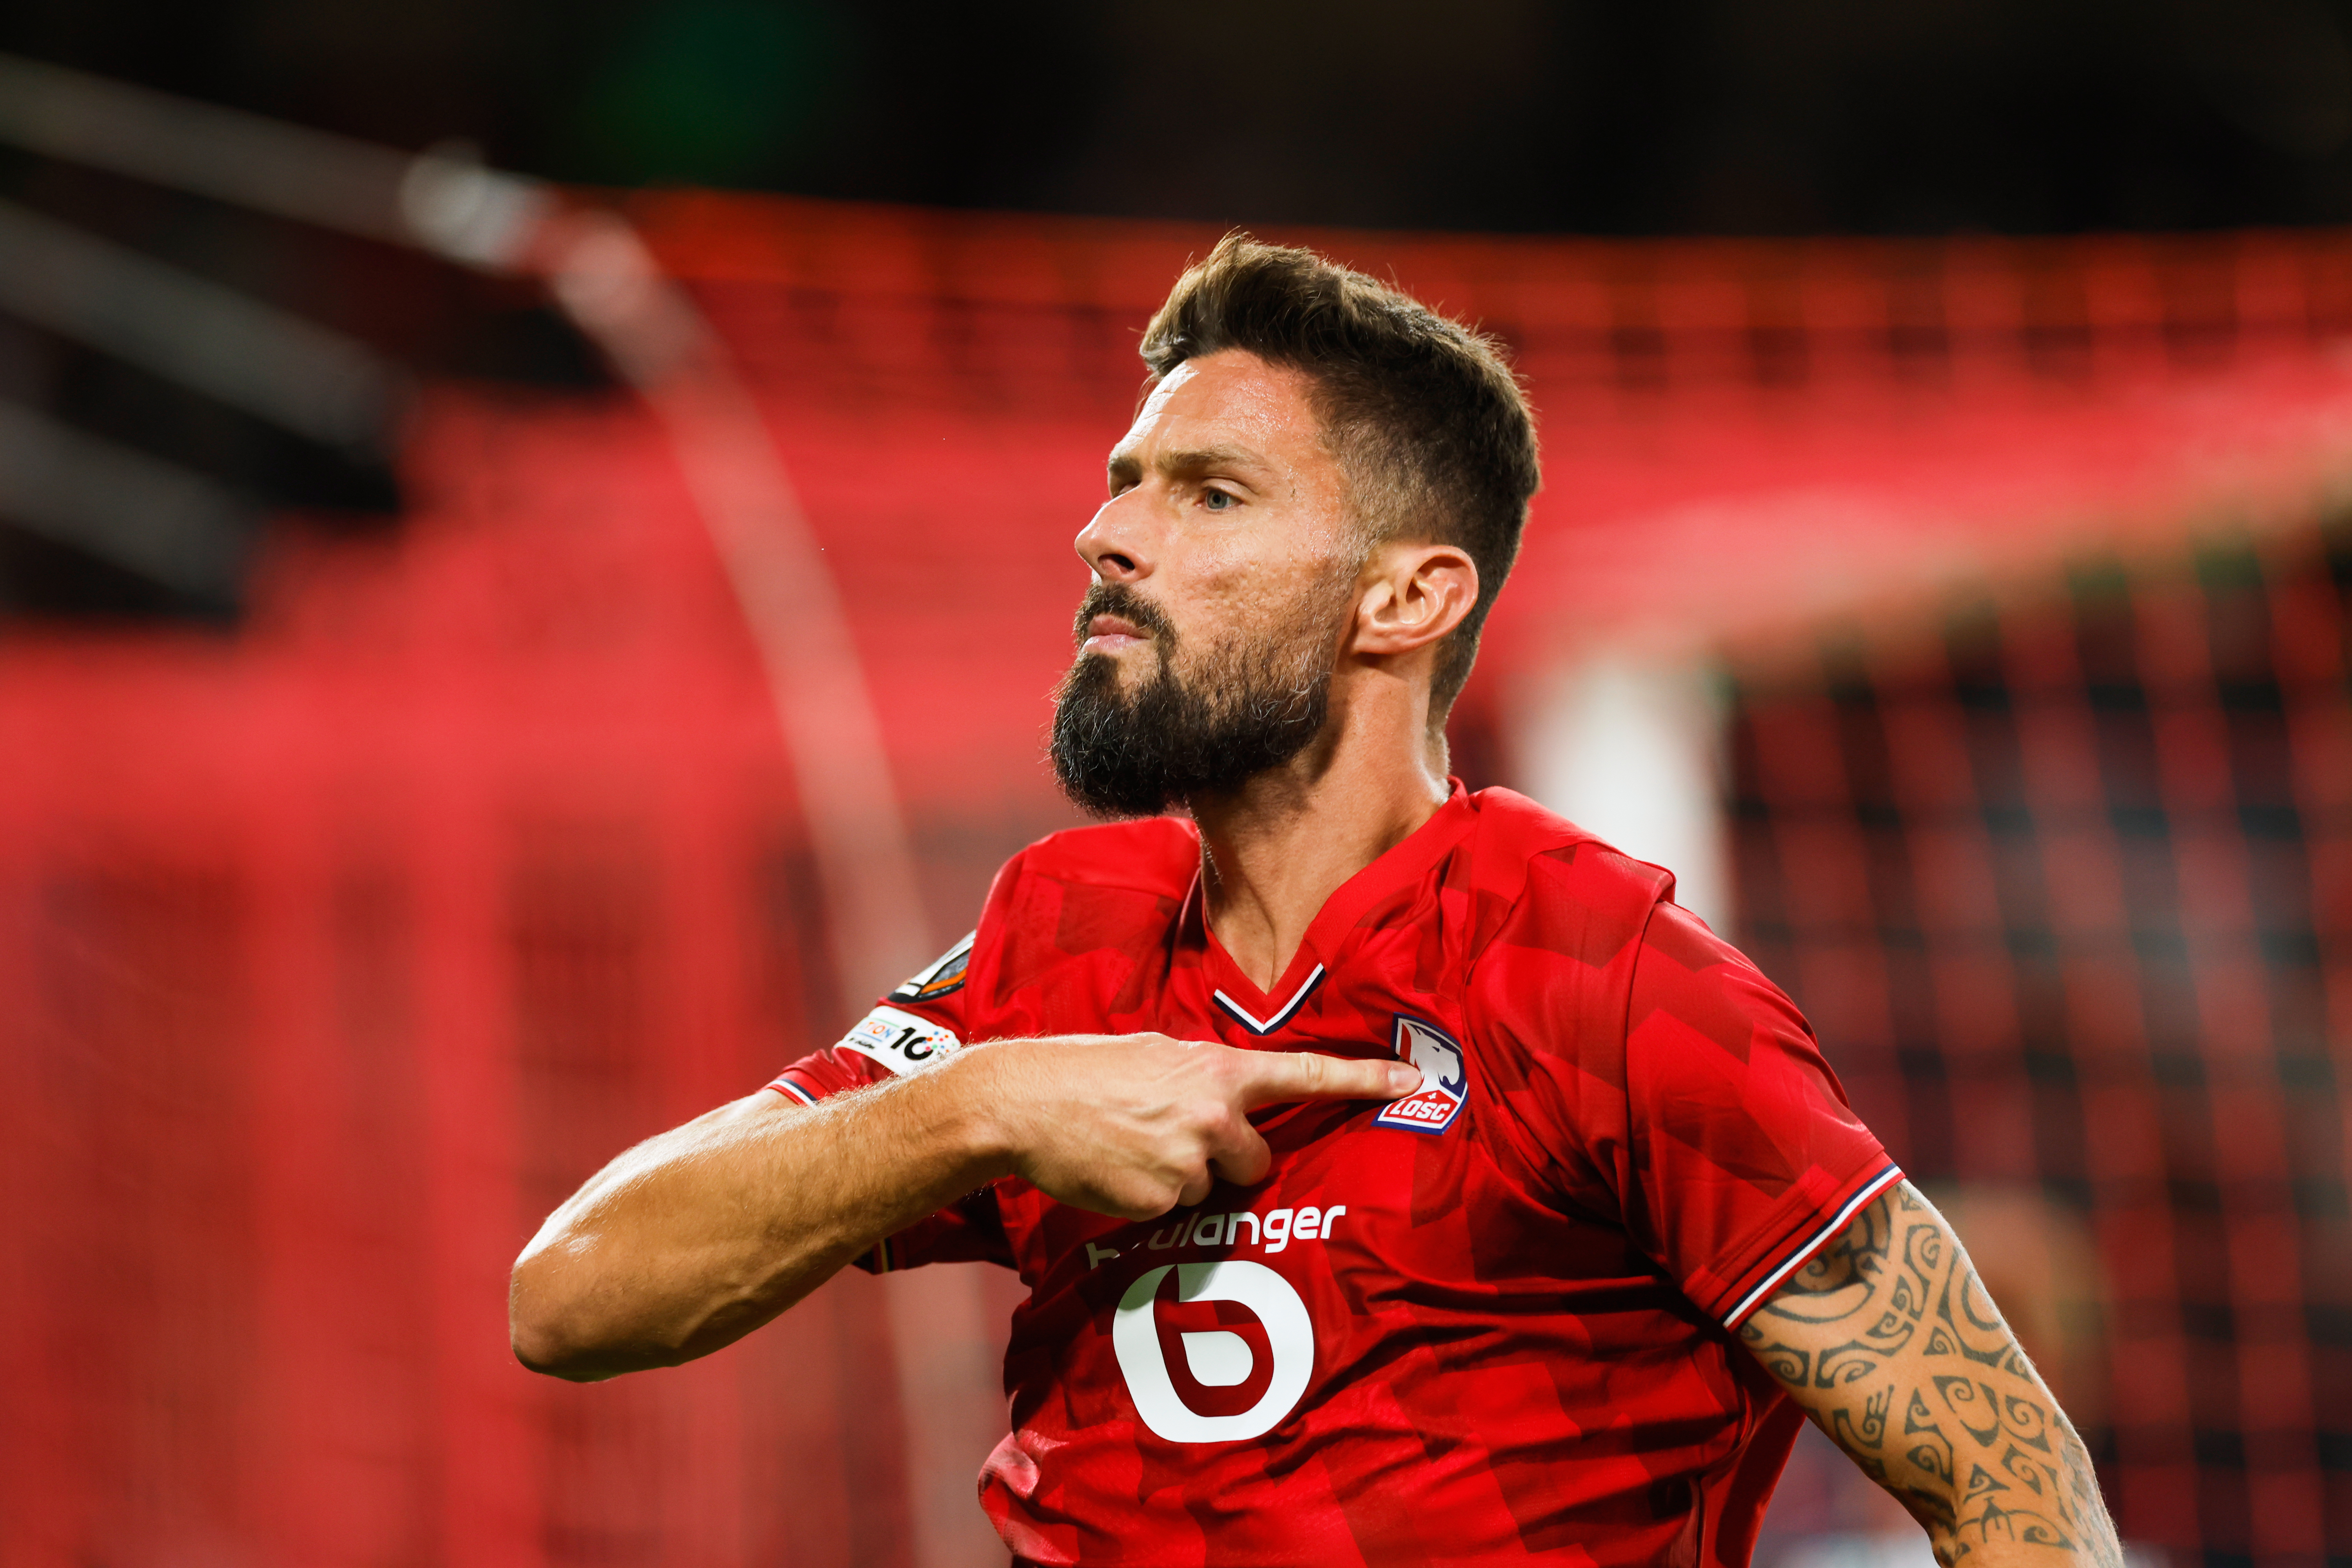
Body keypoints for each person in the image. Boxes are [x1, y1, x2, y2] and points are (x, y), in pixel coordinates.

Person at [511, 236, 2124, 1568]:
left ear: (1407, 596)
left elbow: (2016, 1482)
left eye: (1209, 494)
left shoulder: (1599, 974)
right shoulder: (1052, 943)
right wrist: (980, 1107)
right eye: (1125, 482)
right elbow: (572, 1296)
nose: (1109, 534)